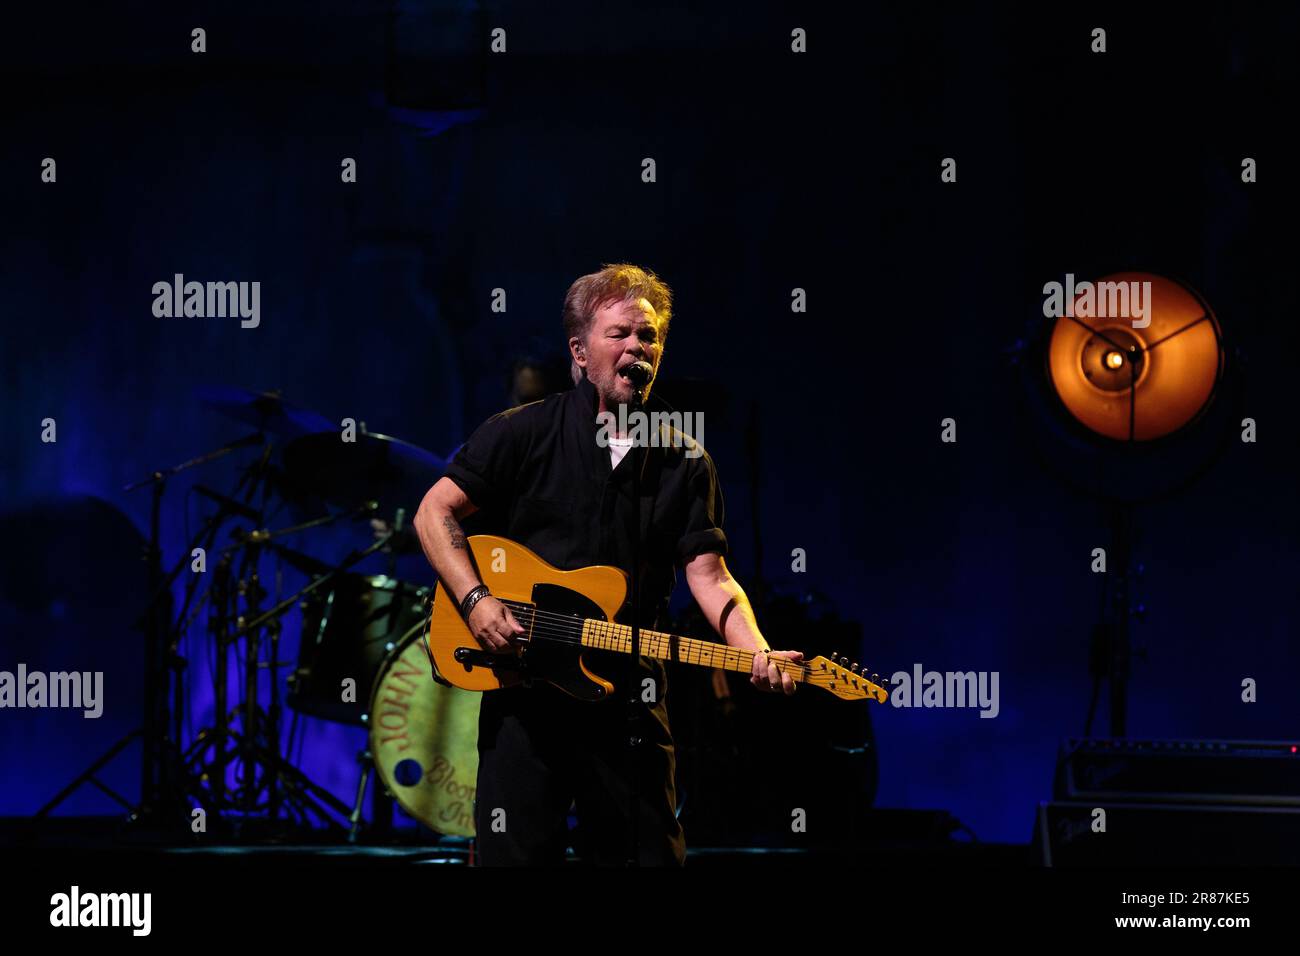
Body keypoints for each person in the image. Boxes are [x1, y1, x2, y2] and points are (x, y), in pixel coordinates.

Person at [412, 263, 801, 866]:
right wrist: (475, 601)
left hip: (631, 698)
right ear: (580, 350)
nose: (636, 350)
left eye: (648, 338)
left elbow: (711, 576)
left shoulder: (684, 460)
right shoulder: (520, 434)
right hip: (528, 697)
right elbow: (434, 513)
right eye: (619, 334)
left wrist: (756, 648)